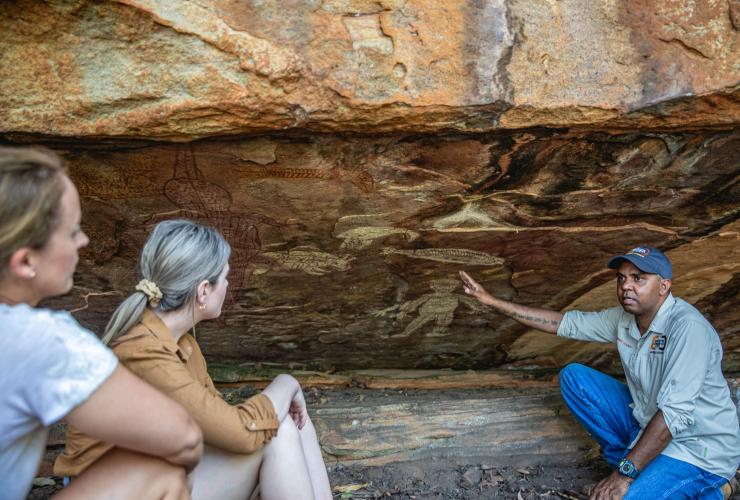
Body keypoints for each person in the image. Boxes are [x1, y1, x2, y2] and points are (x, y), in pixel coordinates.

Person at [55, 219, 333, 500]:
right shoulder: (143, 352)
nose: (228, 285)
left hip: (156, 478)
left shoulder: (183, 344)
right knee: (276, 432)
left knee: (286, 424)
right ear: (203, 291)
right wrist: (286, 383)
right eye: (225, 277)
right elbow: (242, 433)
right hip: (110, 491)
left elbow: (217, 427)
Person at [0, 147, 204, 500]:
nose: (84, 241)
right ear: (25, 261)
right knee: (159, 472)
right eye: (73, 231)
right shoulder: (35, 339)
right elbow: (184, 437)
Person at [460, 245, 740, 499]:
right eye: (622, 278)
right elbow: (562, 323)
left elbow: (672, 415)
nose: (626, 286)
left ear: (664, 286)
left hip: (699, 448)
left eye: (638, 278)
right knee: (575, 379)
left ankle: (712, 488)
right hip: (649, 427)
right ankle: (644, 470)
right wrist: (492, 301)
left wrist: (622, 475)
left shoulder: (688, 329)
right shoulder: (624, 319)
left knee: (627, 496)